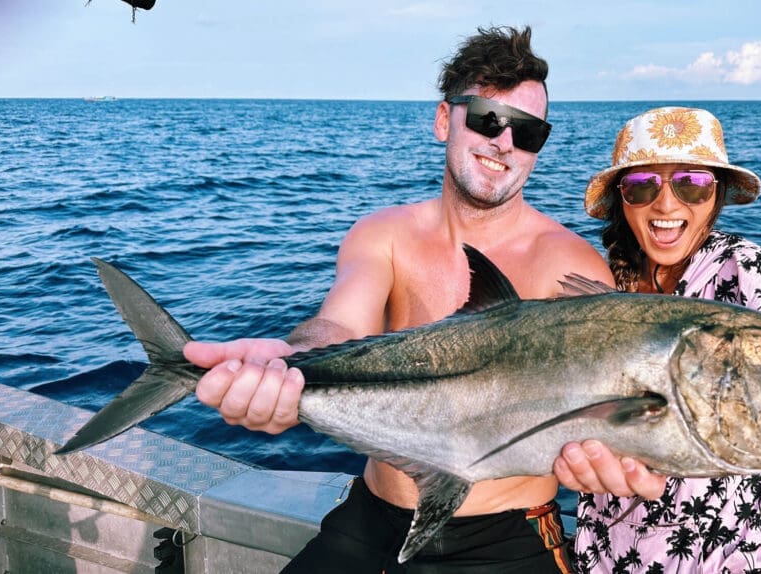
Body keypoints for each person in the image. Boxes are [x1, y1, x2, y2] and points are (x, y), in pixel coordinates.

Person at [182, 26, 614, 573]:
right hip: (375, 518)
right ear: (444, 120)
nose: (504, 143)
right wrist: (287, 365)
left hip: (508, 536)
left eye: (528, 132)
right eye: (487, 118)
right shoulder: (383, 234)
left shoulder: (570, 267)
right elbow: (339, 324)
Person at [553, 107, 761, 573]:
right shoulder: (605, 285)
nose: (667, 205)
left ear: (716, 196)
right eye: (642, 186)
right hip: (622, 549)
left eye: (692, 183)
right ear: (621, 200)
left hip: (752, 543)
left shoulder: (754, 277)